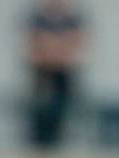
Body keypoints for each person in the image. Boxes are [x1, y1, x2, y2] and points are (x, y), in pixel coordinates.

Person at [25, 0, 87, 148]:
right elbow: (33, 44)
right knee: (40, 112)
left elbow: (76, 43)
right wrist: (54, 50)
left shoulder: (72, 20)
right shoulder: (37, 19)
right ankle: (39, 146)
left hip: (64, 74)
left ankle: (58, 144)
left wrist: (52, 48)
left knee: (62, 113)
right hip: (42, 73)